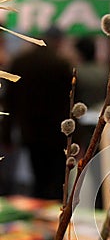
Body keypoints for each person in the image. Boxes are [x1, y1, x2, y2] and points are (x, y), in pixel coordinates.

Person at [0, 27, 73, 200]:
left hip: (31, 130)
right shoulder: (61, 64)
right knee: (57, 182)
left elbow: (10, 101)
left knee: (39, 178)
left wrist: (6, 134)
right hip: (58, 132)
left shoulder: (21, 62)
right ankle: (57, 219)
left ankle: (38, 216)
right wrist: (76, 137)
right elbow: (70, 104)